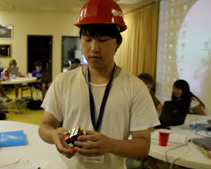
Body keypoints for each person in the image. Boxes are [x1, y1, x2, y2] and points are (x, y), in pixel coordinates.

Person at [38, 0, 160, 168]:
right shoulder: (63, 81)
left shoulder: (135, 87)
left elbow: (143, 145)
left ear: (118, 42)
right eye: (87, 40)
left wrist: (110, 145)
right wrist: (53, 135)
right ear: (80, 39)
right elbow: (45, 125)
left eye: (102, 40)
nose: (94, 48)